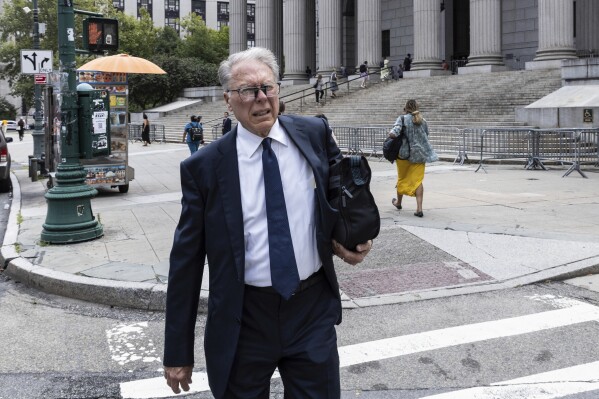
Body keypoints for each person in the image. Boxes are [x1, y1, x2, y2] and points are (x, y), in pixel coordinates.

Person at [163, 47, 372, 398]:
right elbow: (185, 262)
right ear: (228, 100)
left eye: (267, 87)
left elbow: (341, 196)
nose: (261, 99)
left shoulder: (314, 134)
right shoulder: (204, 168)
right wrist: (177, 352)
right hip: (243, 319)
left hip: (311, 308)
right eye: (247, 90)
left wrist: (354, 238)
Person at [388, 99, 438, 217]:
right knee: (417, 181)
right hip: (420, 155)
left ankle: (398, 202)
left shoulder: (402, 119)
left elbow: (394, 133)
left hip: (404, 155)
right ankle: (419, 209)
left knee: (402, 178)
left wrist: (390, 135)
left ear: (406, 108)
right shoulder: (423, 120)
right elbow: (426, 134)